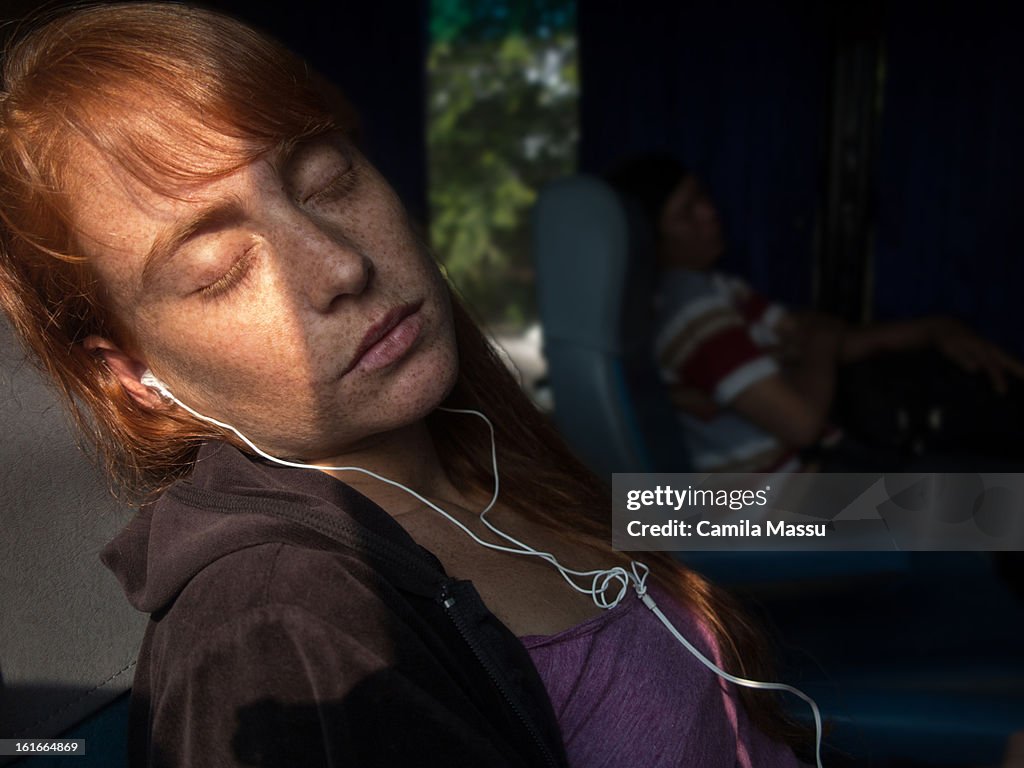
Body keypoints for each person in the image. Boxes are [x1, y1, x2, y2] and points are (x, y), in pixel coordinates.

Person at [0, 5, 813, 767]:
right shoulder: (287, 631)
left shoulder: (481, 451)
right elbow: (800, 424)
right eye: (220, 272)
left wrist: (919, 508)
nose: (341, 265)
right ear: (133, 375)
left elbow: (642, 522)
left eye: (327, 181)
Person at [605, 153, 1024, 472]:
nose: (709, 212)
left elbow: (827, 337)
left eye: (703, 197)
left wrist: (936, 329)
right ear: (649, 238)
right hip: (770, 499)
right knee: (995, 499)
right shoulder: (689, 307)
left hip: (807, 469)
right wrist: (816, 346)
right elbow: (802, 423)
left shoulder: (721, 288)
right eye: (686, 211)